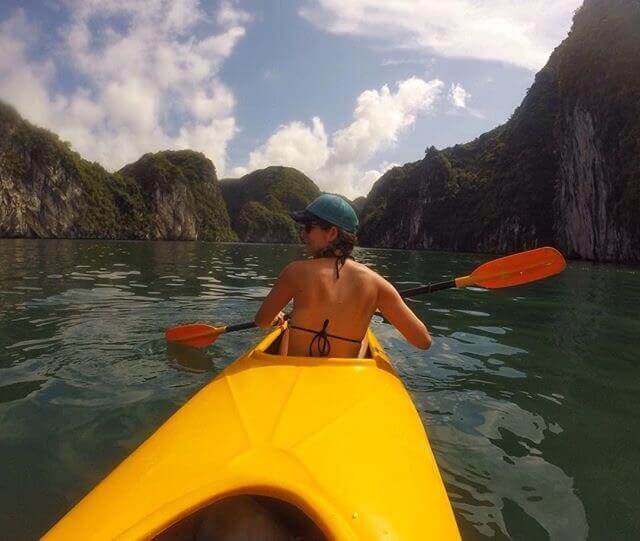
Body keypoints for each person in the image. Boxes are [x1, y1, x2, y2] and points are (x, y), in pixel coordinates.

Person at [254, 193, 431, 357]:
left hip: (297, 377)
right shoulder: (377, 284)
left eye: (308, 228)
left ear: (331, 233)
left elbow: (262, 321)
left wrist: (277, 316)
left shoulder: (294, 271)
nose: (302, 234)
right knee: (362, 339)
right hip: (344, 382)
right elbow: (423, 341)